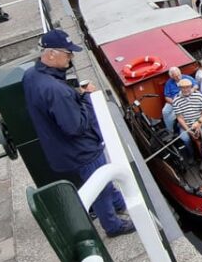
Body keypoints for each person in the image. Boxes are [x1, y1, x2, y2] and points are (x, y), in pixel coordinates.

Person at [23, 29, 134, 237]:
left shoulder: (31, 76)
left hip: (60, 148)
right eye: (68, 53)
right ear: (51, 54)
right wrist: (85, 98)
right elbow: (75, 127)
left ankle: (118, 202)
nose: (71, 58)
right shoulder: (56, 90)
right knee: (99, 184)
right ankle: (113, 225)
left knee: (103, 178)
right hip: (80, 150)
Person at [172, 79, 202, 171]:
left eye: (187, 87)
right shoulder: (176, 100)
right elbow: (180, 118)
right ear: (180, 88)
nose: (185, 90)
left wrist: (199, 125)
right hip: (186, 124)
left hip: (200, 122)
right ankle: (191, 155)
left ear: (190, 87)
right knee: (185, 139)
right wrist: (189, 130)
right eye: (183, 88)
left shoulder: (199, 96)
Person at [162, 67, 196, 133]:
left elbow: (196, 85)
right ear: (172, 77)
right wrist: (174, 103)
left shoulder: (187, 77)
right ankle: (170, 129)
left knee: (171, 116)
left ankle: (171, 131)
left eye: (179, 75)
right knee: (165, 111)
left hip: (185, 99)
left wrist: (191, 90)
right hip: (173, 100)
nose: (178, 77)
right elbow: (167, 96)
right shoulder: (169, 83)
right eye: (176, 76)